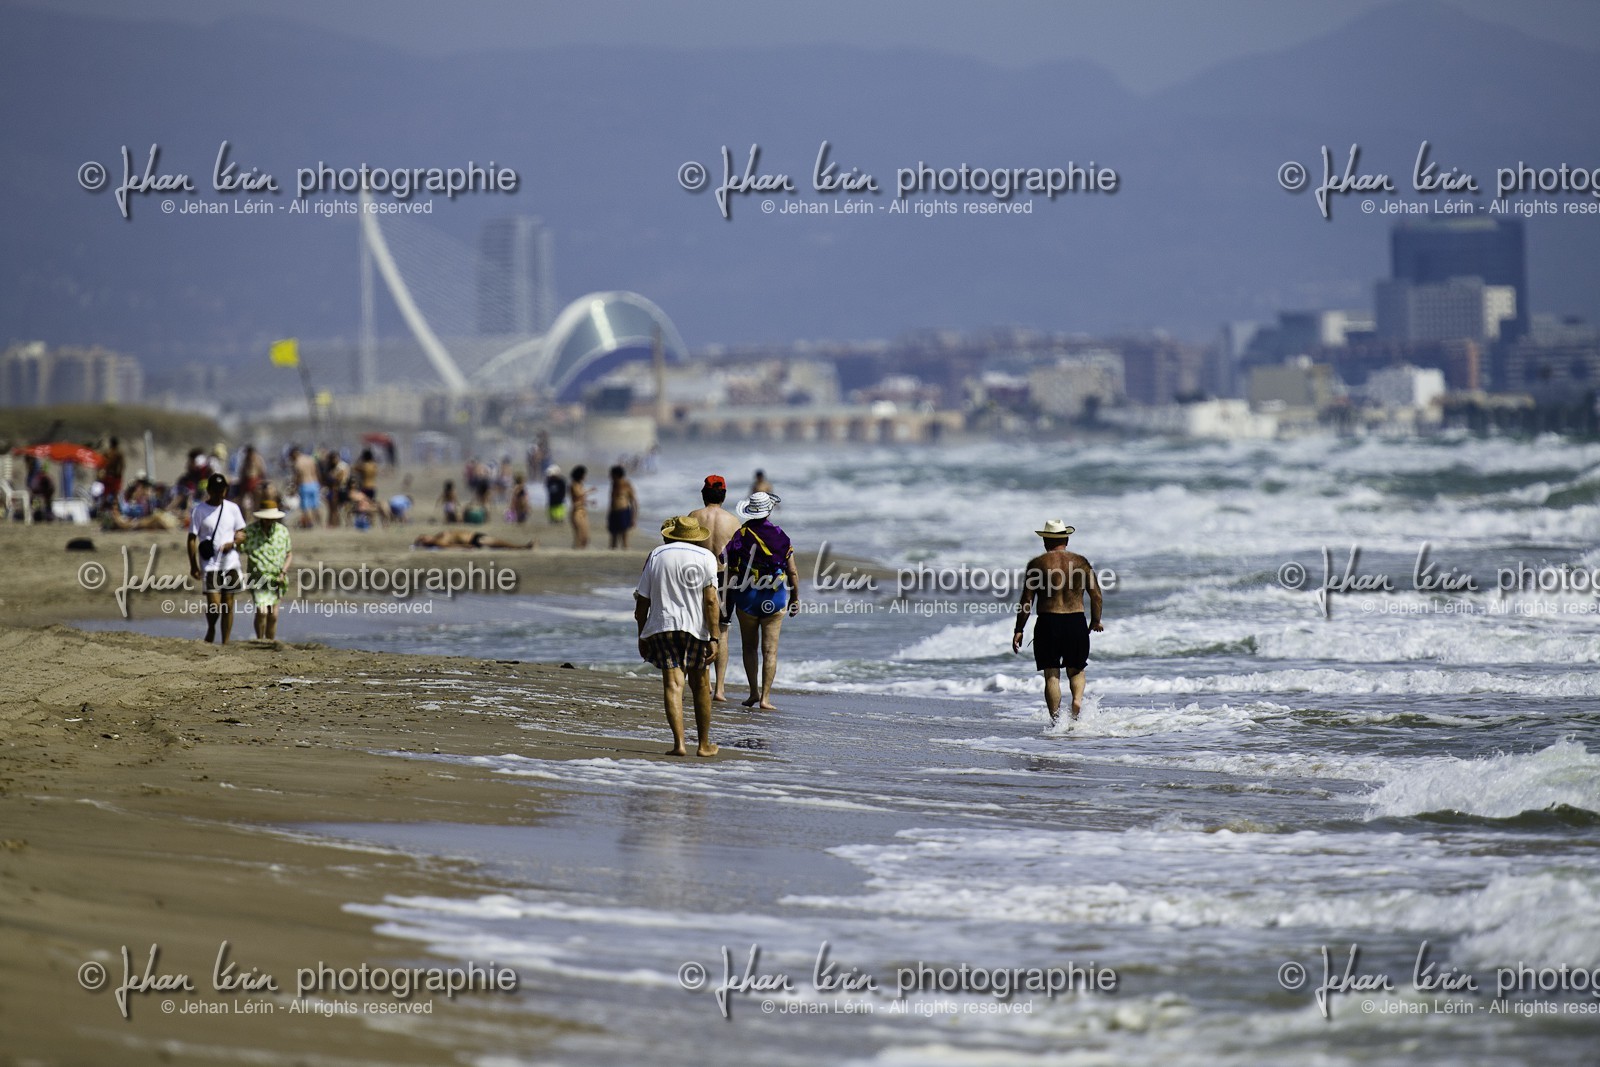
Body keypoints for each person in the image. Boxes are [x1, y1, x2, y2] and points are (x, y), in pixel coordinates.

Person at [634, 516, 721, 758]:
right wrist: (715, 637)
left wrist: (642, 633)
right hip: (696, 628)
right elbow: (711, 600)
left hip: (663, 626)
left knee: (673, 685)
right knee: (701, 684)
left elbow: (643, 600)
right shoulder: (706, 558)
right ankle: (703, 745)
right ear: (696, 536)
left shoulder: (656, 555)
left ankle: (679, 744)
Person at [1012, 519, 1104, 725]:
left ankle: (1056, 722)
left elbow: (1027, 600)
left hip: (1048, 622)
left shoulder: (1037, 565)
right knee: (1077, 669)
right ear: (1067, 539)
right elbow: (1096, 595)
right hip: (1075, 621)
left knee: (1051, 674)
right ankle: (1077, 701)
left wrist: (1019, 629)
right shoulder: (1081, 562)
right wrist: (1095, 620)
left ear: (1045, 540)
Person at [723, 491, 799, 710]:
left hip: (746, 597)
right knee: (770, 651)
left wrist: (726, 595)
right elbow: (792, 572)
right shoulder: (781, 536)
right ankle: (765, 698)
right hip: (774, 598)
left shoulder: (742, 534)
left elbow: (727, 563)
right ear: (769, 510)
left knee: (749, 647)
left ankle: (753, 692)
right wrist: (795, 598)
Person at [688, 474, 741, 703]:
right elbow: (740, 555)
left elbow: (684, 548)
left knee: (699, 627)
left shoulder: (693, 517)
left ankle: (704, 681)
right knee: (722, 630)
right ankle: (720, 689)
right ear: (724, 495)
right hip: (725, 577)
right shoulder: (733, 521)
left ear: (703, 494)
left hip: (698, 575)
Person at [187, 473, 248, 645]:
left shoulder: (233, 508)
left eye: (222, 491)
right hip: (210, 563)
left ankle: (226, 642)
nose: (219, 494)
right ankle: (211, 627)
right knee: (214, 604)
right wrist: (193, 565)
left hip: (230, 562)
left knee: (228, 604)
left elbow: (242, 531)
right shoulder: (199, 510)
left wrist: (234, 542)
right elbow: (192, 538)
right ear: (208, 491)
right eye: (215, 491)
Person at [238, 500, 292, 640]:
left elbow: (289, 554)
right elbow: (239, 547)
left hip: (277, 578)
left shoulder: (282, 531)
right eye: (266, 519)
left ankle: (270, 641)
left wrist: (283, 571)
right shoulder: (250, 531)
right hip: (258, 577)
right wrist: (236, 539)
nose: (268, 521)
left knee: (273, 615)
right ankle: (260, 639)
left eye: (271, 519)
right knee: (262, 612)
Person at [607, 464, 636, 549]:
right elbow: (612, 500)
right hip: (613, 512)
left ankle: (625, 550)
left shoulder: (626, 485)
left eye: (611, 474)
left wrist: (633, 517)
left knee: (624, 537)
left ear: (616, 475)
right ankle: (613, 553)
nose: (610, 476)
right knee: (613, 536)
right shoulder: (613, 485)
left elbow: (634, 501)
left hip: (623, 511)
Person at [412, 529, 534, 549]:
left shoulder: (437, 536)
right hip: (473, 540)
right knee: (501, 543)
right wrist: (465, 547)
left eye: (423, 536)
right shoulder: (437, 541)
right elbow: (449, 546)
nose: (426, 538)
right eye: (423, 540)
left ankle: (520, 546)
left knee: (500, 543)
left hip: (474, 536)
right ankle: (522, 547)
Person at [291, 447, 320, 529]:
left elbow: (298, 476)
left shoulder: (297, 462)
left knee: (306, 507)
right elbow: (316, 471)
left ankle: (310, 523)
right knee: (315, 505)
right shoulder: (310, 459)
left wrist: (295, 486)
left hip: (304, 484)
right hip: (314, 483)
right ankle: (319, 523)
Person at [569, 465, 592, 548]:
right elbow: (578, 494)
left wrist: (589, 502)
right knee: (579, 535)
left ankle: (581, 550)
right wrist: (589, 491)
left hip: (583, 511)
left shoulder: (581, 485)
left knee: (585, 536)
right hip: (576, 512)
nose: (585, 477)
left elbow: (581, 499)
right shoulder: (573, 485)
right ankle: (576, 551)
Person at [101, 437, 125, 516]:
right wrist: (119, 475)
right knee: (115, 495)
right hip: (115, 477)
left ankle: (102, 511)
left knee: (105, 495)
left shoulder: (107, 453)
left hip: (108, 476)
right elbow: (122, 466)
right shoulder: (118, 454)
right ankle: (116, 511)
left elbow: (102, 463)